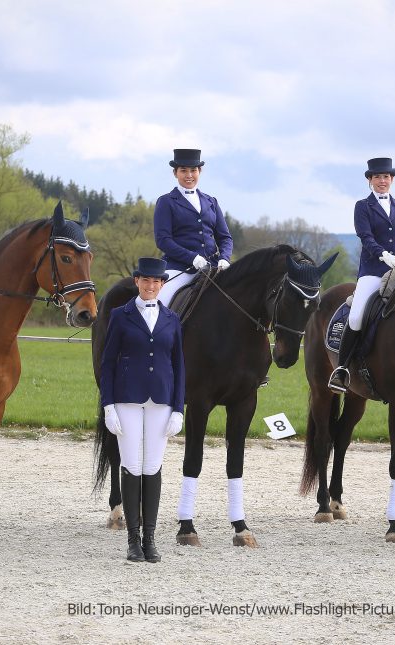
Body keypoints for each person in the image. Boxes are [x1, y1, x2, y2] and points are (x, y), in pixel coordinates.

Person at [100, 257, 186, 563]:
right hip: (127, 399)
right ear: (137, 281)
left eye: (156, 282)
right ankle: (132, 540)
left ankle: (150, 539)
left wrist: (179, 408)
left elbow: (179, 366)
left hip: (161, 401)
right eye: (146, 281)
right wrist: (108, 405)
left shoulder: (172, 319)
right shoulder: (119, 316)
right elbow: (107, 363)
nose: (151, 287)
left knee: (152, 467)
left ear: (162, 284)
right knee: (132, 465)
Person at [327, 157, 395, 393]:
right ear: (370, 180)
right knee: (355, 318)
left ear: (391, 179)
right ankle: (342, 369)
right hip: (373, 269)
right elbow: (365, 237)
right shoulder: (362, 206)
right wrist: (383, 254)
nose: (382, 181)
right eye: (377, 177)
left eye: (385, 177)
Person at [153, 149, 234, 306]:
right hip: (179, 269)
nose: (189, 175)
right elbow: (163, 240)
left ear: (200, 171)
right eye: (183, 170)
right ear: (175, 173)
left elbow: (225, 237)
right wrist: (192, 257)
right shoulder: (166, 202)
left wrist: (225, 258)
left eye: (193, 170)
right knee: (161, 303)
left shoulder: (211, 202)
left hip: (213, 268)